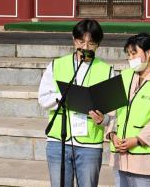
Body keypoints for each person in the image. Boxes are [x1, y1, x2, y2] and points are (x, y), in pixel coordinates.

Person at [38, 19, 114, 187]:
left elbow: (114, 111)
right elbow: (43, 98)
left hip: (90, 145)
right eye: (81, 42)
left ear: (98, 45)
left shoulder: (107, 70)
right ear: (74, 40)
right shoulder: (56, 65)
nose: (85, 48)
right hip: (59, 141)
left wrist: (104, 119)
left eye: (91, 43)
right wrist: (65, 98)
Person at [108, 33, 150, 187]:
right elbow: (112, 111)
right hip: (120, 156)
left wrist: (137, 140)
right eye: (128, 55)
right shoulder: (124, 76)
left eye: (134, 53)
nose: (130, 58)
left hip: (145, 159)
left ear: (149, 52)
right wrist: (111, 134)